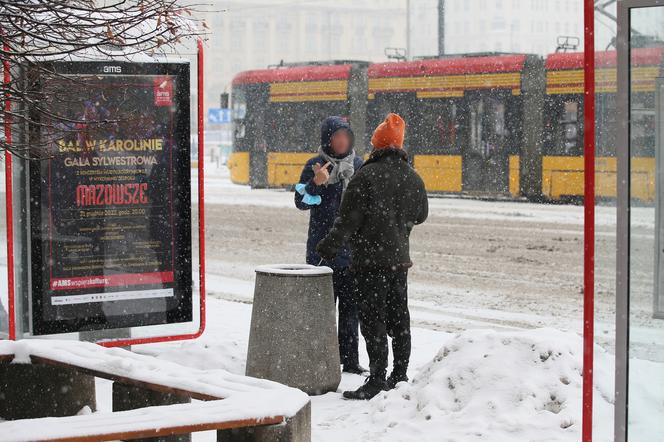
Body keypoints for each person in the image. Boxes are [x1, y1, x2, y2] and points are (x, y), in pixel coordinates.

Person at [316, 113, 428, 400]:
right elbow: (421, 215)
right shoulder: (412, 176)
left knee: (373, 320)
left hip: (369, 262)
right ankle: (400, 375)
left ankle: (377, 378)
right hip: (399, 262)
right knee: (400, 317)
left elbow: (347, 220)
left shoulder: (365, 176)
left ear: (377, 145)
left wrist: (328, 246)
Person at [294, 115, 366, 375]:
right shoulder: (314, 165)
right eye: (337, 136)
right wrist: (316, 184)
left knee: (351, 310)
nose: (342, 141)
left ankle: (349, 360)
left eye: (346, 136)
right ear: (327, 138)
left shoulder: (357, 165)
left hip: (351, 252)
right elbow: (300, 202)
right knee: (322, 311)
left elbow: (365, 205)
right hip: (321, 250)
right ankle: (319, 358)